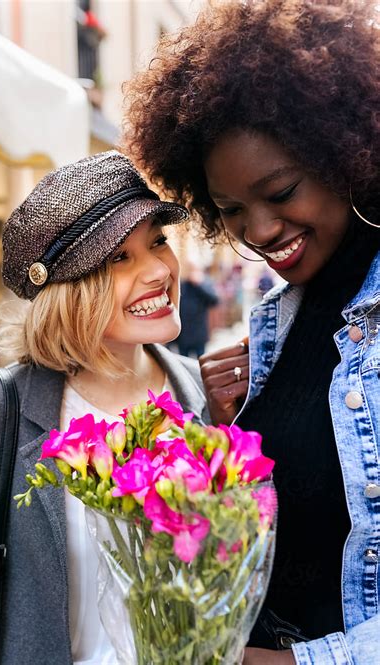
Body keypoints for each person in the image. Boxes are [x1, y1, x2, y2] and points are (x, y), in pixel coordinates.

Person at [122, 1, 380, 663]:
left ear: (349, 154)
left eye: (282, 190)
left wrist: (300, 661)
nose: (260, 232)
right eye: (231, 210)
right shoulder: (276, 319)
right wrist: (225, 431)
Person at [0, 151, 210, 664]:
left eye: (157, 241)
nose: (159, 269)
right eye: (120, 257)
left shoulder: (207, 397)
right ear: (68, 291)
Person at [176, 261, 219, 358]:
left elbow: (214, 300)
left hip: (199, 333)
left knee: (201, 360)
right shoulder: (181, 285)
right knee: (184, 362)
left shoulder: (204, 284)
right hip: (184, 334)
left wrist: (199, 285)